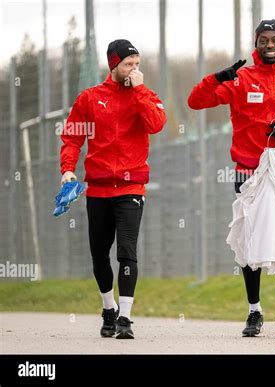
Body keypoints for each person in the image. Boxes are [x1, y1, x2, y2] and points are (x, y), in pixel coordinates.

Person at [188, 19, 275, 339]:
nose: (270, 45)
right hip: (247, 172)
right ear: (256, 43)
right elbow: (196, 101)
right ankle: (254, 311)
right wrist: (217, 77)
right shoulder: (240, 80)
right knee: (250, 237)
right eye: (264, 40)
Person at [60, 39, 166, 339]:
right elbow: (71, 137)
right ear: (114, 66)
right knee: (99, 254)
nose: (134, 69)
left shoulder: (144, 95)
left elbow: (157, 123)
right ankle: (108, 308)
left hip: (132, 187)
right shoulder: (90, 98)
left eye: (137, 63)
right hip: (98, 188)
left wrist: (140, 90)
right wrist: (67, 169)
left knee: (127, 252)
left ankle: (125, 317)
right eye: (128, 64)